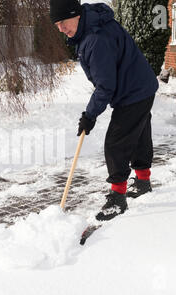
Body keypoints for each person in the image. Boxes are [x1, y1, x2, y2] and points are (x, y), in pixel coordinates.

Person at [50, 0, 159, 221]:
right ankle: (143, 181)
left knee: (116, 142)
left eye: (63, 21)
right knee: (138, 135)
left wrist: (89, 116)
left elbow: (106, 86)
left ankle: (118, 200)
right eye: (56, 24)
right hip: (141, 86)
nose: (61, 28)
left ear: (76, 15)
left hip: (133, 91)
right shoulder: (92, 25)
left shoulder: (95, 39)